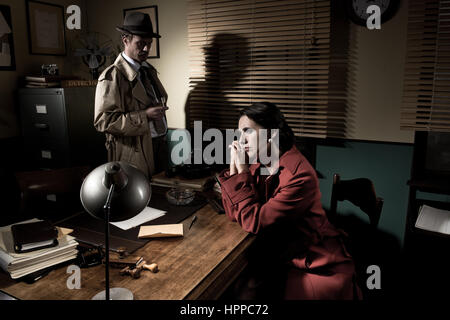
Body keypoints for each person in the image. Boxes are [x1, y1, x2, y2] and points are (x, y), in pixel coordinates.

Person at [217, 102, 361, 299]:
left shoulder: (299, 175)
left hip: (314, 260)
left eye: (247, 131)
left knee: (245, 291)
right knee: (240, 287)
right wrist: (235, 167)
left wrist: (241, 171)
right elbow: (236, 213)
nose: (241, 140)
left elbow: (253, 221)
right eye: (239, 133)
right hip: (282, 250)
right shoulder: (263, 160)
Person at [94, 11, 169, 178]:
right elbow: (103, 122)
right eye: (141, 43)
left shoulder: (148, 71)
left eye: (149, 43)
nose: (146, 49)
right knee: (139, 199)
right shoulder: (112, 76)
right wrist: (145, 116)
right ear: (125, 40)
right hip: (134, 152)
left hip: (158, 146)